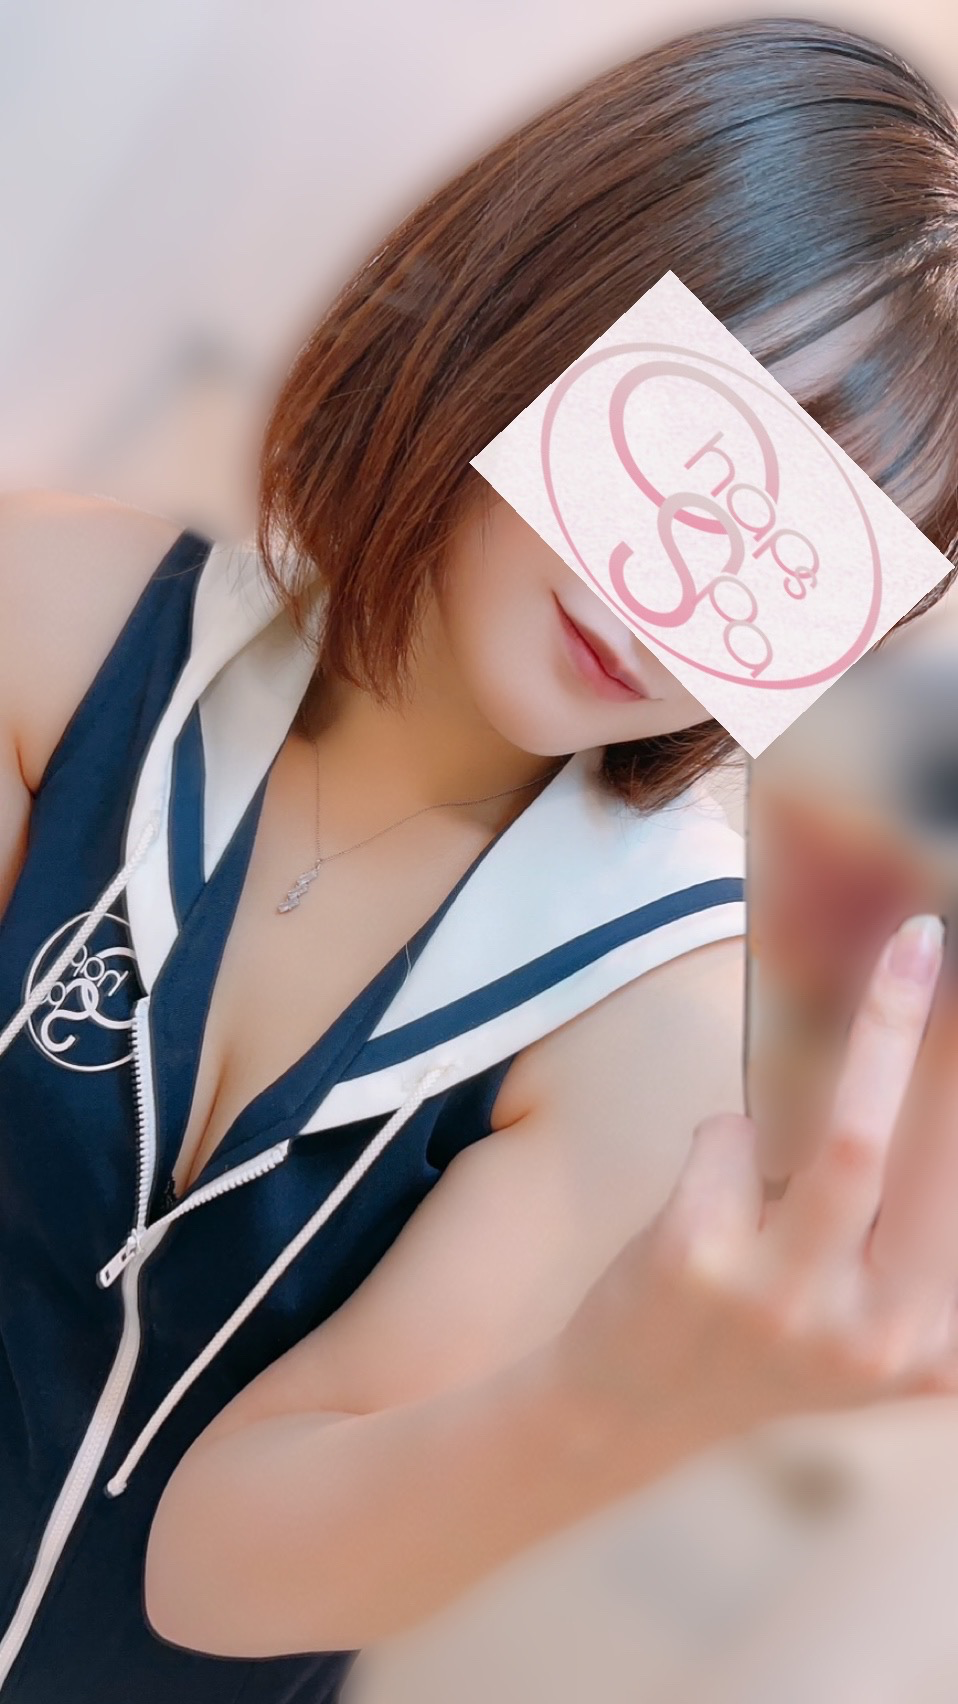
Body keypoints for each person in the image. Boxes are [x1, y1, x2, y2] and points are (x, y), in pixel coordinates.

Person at [2, 15, 958, 1704]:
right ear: (546, 290)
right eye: (709, 441)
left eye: (816, 543)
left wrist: (617, 1402)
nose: (678, 586)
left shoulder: (650, 1013)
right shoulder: (54, 632)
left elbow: (215, 1568)